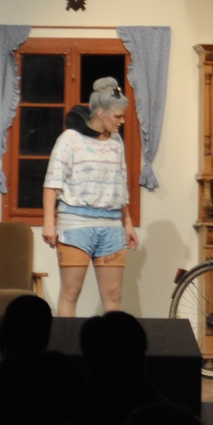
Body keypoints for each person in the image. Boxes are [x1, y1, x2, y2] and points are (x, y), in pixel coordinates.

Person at [42, 77, 139, 316]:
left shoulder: (116, 141)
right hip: (76, 225)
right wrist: (49, 222)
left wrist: (127, 222)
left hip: (111, 226)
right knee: (71, 292)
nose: (122, 121)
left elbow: (119, 184)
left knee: (114, 296)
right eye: (117, 116)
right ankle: (66, 341)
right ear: (99, 112)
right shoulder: (70, 139)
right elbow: (52, 183)